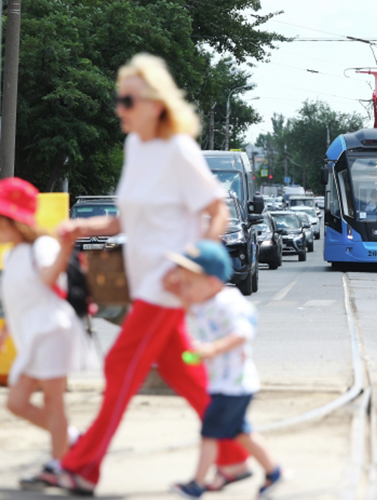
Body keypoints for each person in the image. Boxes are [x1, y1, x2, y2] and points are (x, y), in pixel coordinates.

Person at [53, 53, 250, 495]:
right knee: (184, 373)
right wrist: (83, 226)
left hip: (167, 286)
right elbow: (127, 220)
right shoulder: (136, 147)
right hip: (144, 284)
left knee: (120, 364)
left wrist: (194, 264)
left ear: (156, 104)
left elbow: (215, 210)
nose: (119, 109)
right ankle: (236, 457)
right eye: (118, 100)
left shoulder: (178, 149)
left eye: (128, 100)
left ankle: (83, 466)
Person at [164, 241, 282, 499]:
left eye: (190, 283)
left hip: (234, 385)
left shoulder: (228, 302)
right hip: (226, 384)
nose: (187, 289)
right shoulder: (205, 301)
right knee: (241, 433)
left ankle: (196, 483)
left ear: (213, 281)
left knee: (210, 433)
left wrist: (212, 349)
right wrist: (176, 288)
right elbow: (188, 307)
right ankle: (273, 472)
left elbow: (243, 333)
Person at [0, 178, 89, 489]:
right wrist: (6, 332)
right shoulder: (12, 254)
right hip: (34, 336)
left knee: (53, 402)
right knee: (17, 403)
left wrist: (65, 247)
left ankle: (58, 462)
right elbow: (19, 299)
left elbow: (51, 280)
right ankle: (74, 438)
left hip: (53, 332)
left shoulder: (43, 246)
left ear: (15, 220)